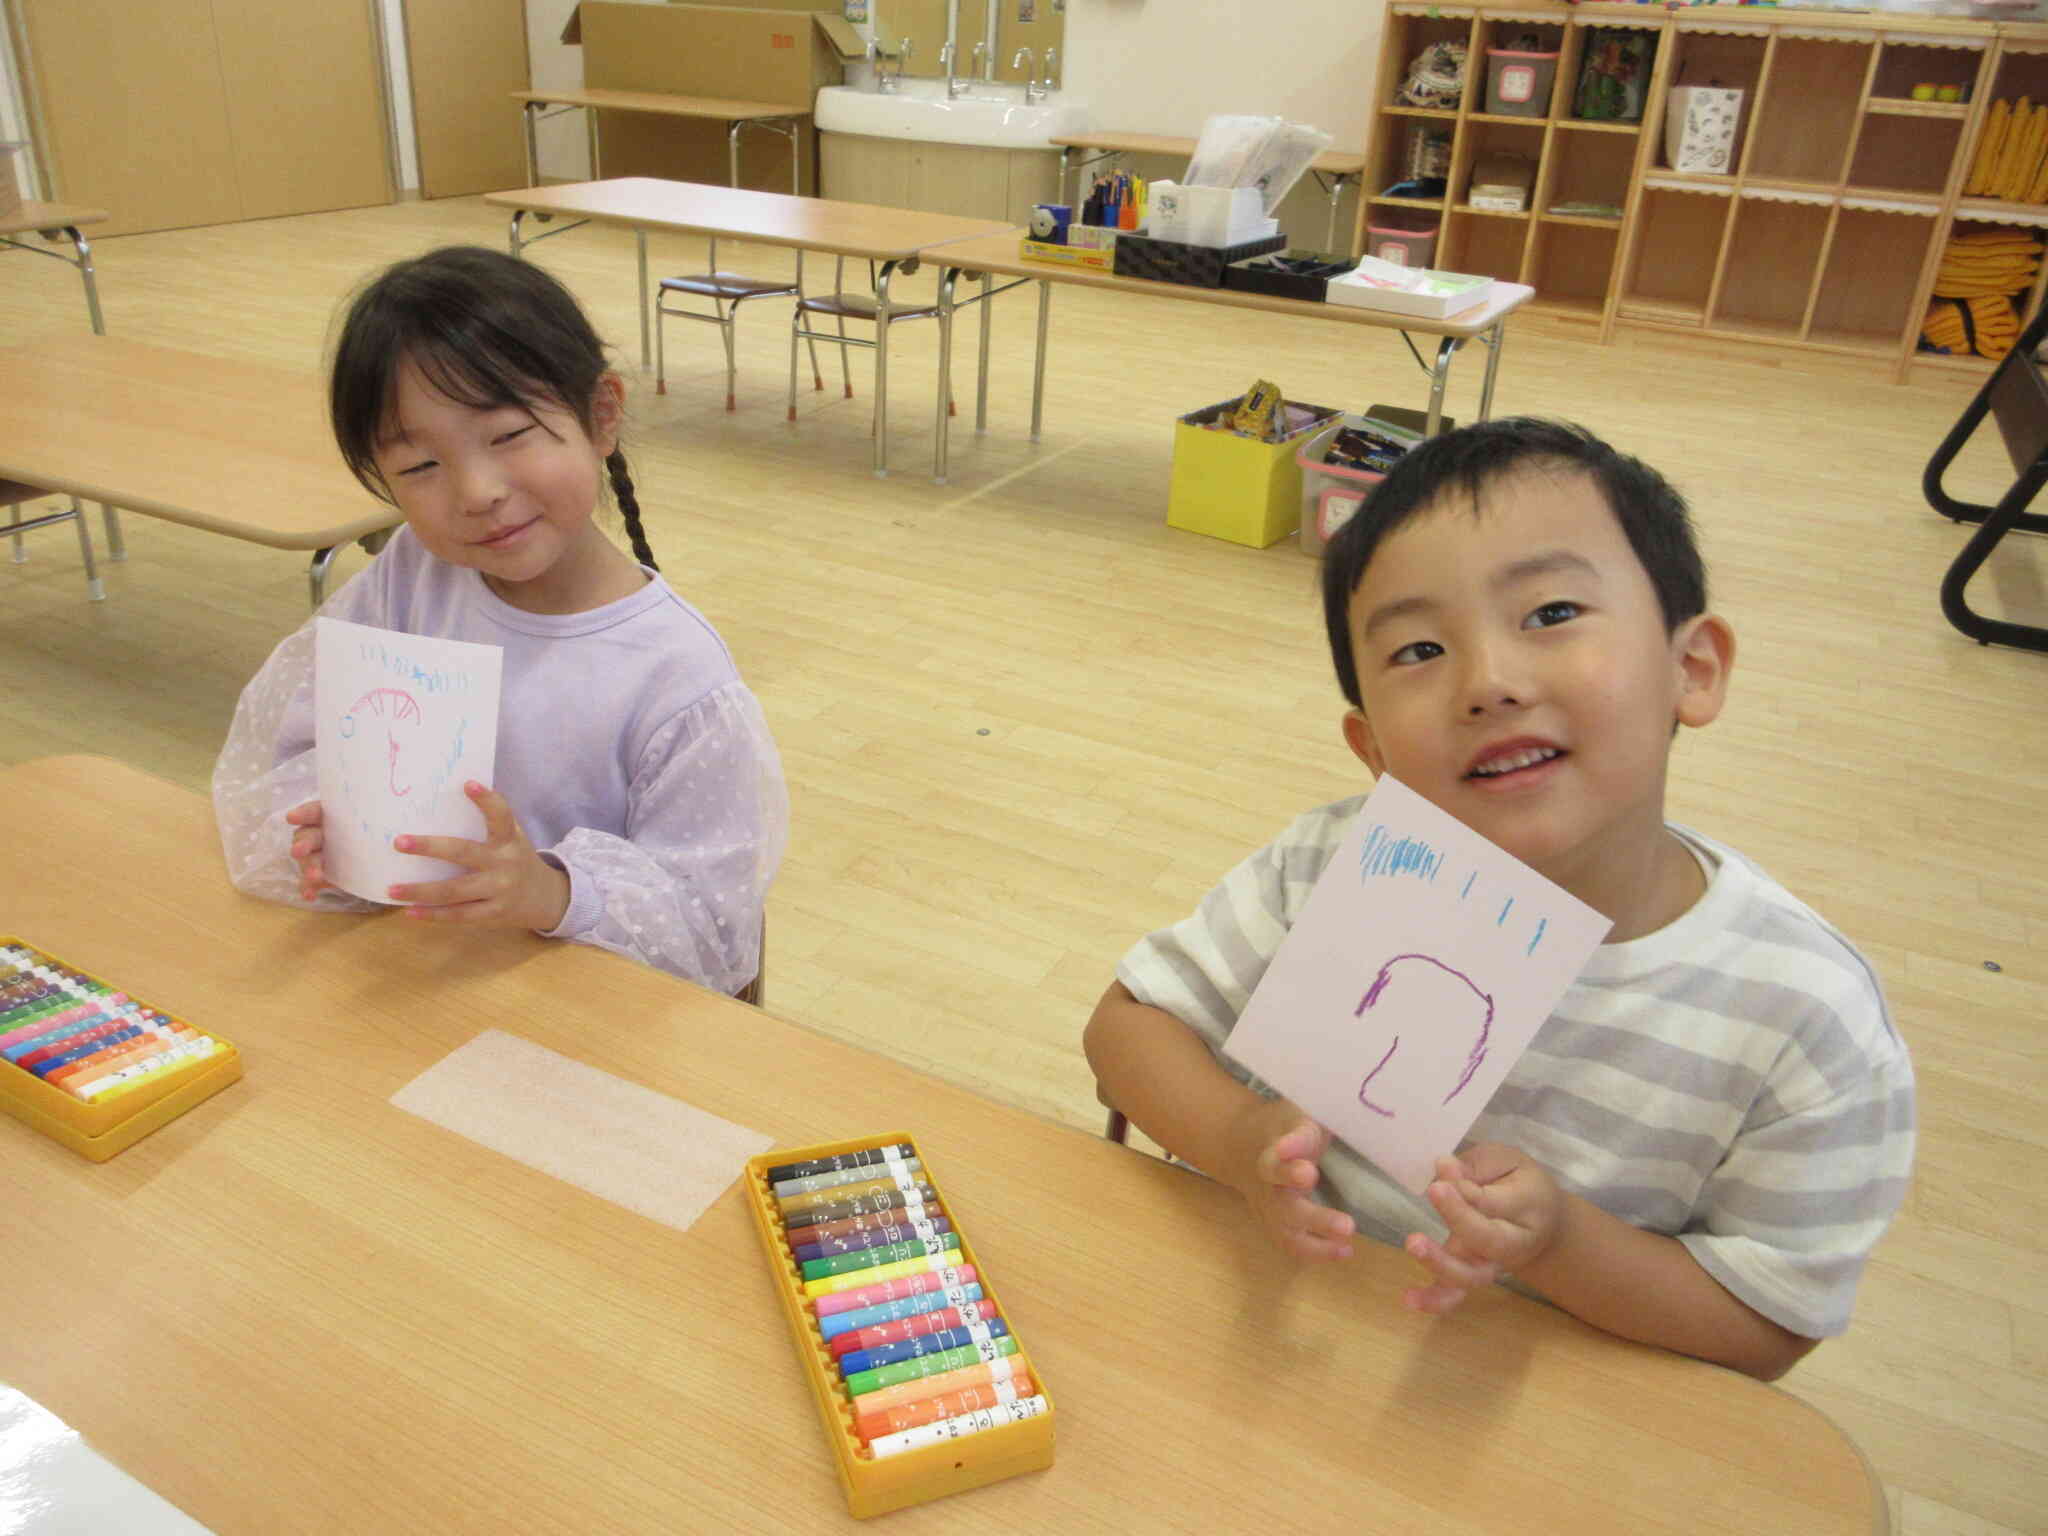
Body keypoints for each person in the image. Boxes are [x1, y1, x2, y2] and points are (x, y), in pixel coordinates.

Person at [1083, 418, 1913, 1381]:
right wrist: (1236, 1141)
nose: (1488, 683)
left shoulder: (1805, 1016)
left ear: (1692, 670)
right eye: (1419, 650)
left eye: (1551, 614)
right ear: (1373, 750)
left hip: (1536, 1416)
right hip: (1273, 1347)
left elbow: (1772, 1322)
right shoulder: (1328, 865)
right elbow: (1126, 1029)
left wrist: (1560, 1243)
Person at [213, 245, 786, 996]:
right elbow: (296, 745)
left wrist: (551, 892)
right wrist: (330, 824)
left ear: (600, 416)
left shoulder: (679, 680)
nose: (476, 492)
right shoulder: (412, 576)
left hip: (592, 1024)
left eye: (509, 434)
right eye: (421, 467)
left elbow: (712, 935)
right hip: (426, 981)